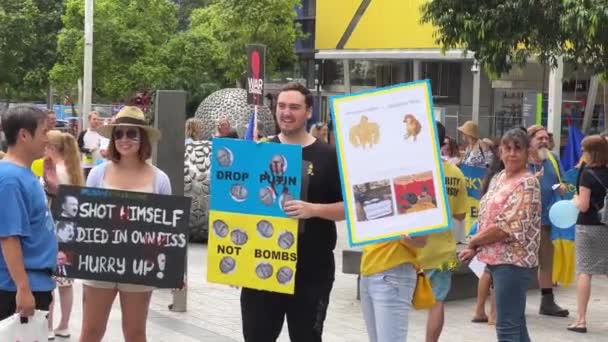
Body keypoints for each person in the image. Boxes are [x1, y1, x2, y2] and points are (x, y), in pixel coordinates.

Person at [240, 82, 344, 342]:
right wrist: (238, 264)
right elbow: (240, 208)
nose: (286, 112)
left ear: (309, 112)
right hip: (263, 269)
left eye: (294, 107)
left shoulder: (329, 155)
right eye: (282, 106)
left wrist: (313, 209)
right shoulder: (259, 150)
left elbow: (350, 208)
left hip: (312, 271)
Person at [78, 106, 171, 342]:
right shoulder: (97, 175)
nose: (124, 139)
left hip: (140, 267)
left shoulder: (160, 179)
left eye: (132, 133)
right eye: (118, 134)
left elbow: (168, 229)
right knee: (90, 332)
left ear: (143, 139)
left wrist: (175, 269)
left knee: (135, 334)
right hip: (100, 263)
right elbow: (87, 221)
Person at [459, 128, 541, 342]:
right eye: (507, 148)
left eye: (518, 149)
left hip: (513, 263)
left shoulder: (528, 183)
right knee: (517, 327)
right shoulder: (498, 177)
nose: (512, 153)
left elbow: (507, 226)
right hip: (496, 261)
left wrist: (475, 241)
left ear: (526, 153)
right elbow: (486, 217)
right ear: (500, 152)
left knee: (507, 328)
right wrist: (475, 246)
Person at [0, 105, 58, 322]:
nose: (47, 139)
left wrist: (52, 190)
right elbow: (9, 236)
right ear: (24, 135)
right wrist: (23, 288)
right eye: (44, 132)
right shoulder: (10, 179)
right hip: (14, 289)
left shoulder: (25, 174)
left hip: (34, 283)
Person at [417, 122, 467, 342]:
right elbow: (461, 215)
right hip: (445, 251)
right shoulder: (455, 172)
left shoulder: (414, 170)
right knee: (438, 302)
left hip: (413, 250)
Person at [45, 129, 84, 339]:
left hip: (53, 231)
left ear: (52, 148)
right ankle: (64, 324)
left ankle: (49, 326)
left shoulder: (54, 172)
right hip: (71, 232)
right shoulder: (73, 170)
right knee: (66, 283)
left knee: (49, 282)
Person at [527, 124, 569, 317]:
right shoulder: (521, 159)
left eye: (546, 138)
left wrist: (562, 186)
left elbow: (564, 182)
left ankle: (547, 302)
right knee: (520, 262)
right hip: (523, 220)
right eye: (539, 138)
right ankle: (512, 301)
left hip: (546, 219)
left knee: (546, 262)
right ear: (530, 142)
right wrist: (532, 180)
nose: (544, 141)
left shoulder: (553, 158)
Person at [568, 135, 608, 333]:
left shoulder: (587, 174)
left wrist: (575, 200)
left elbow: (583, 206)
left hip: (588, 226)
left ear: (591, 152)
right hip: (606, 225)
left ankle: (581, 319)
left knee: (585, 271)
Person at [472, 151, 504, 325]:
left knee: (487, 270)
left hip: (486, 226)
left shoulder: (491, 177)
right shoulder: (502, 179)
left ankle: (480, 310)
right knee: (494, 271)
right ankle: (493, 313)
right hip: (495, 228)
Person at [78, 111, 104, 178]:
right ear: (89, 120)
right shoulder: (84, 133)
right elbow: (78, 147)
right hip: (88, 165)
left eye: (98, 119)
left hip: (99, 165)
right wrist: (88, 150)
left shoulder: (102, 133)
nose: (96, 121)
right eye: (94, 119)